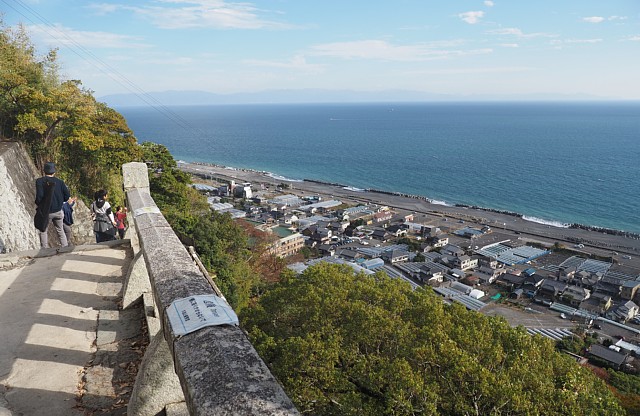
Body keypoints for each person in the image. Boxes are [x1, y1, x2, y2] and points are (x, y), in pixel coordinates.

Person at [35, 162, 70, 248]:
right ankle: (65, 247)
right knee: (60, 230)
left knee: (43, 230)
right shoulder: (60, 182)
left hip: (46, 211)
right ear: (54, 172)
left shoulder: (40, 181)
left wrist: (39, 204)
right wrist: (60, 201)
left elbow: (39, 196)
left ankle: (45, 250)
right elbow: (67, 196)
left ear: (44, 171)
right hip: (58, 211)